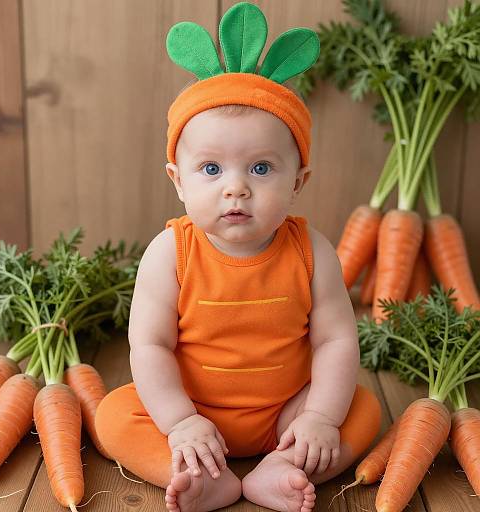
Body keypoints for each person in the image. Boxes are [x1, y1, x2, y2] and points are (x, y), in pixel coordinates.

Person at [95, 3, 381, 511]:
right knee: (113, 417)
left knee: (361, 410)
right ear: (177, 181)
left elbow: (336, 340)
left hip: (285, 415)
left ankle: (282, 468)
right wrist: (180, 422)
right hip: (191, 413)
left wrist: (317, 417)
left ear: (297, 183)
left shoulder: (312, 251)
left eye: (261, 168)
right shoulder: (169, 253)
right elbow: (151, 347)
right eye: (210, 168)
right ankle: (195, 474)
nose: (236, 189)